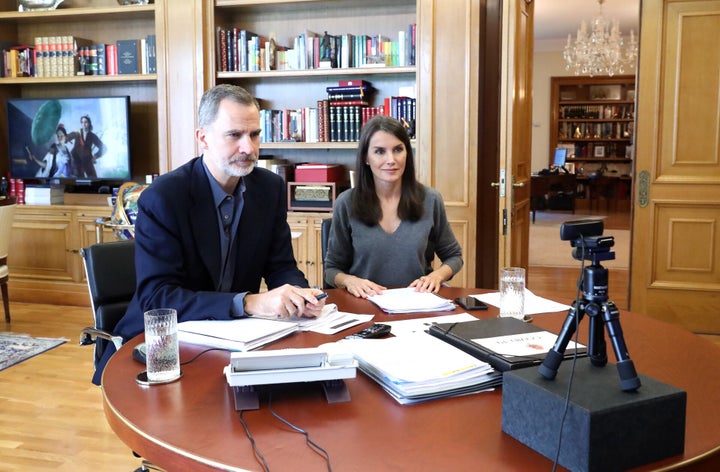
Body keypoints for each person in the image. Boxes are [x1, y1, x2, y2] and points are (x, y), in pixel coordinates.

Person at [92, 84, 325, 384]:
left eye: (254, 135)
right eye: (234, 135)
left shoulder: (269, 188)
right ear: (203, 138)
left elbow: (281, 266)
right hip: (159, 345)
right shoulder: (164, 197)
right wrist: (248, 303)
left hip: (233, 339)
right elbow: (157, 298)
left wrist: (298, 296)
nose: (249, 148)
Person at [324, 114, 463, 298]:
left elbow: (454, 256)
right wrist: (350, 281)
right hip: (364, 305)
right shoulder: (346, 203)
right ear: (366, 157)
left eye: (398, 149)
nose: (391, 159)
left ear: (407, 153)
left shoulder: (430, 199)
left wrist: (436, 276)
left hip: (416, 303)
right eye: (380, 151)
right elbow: (331, 269)